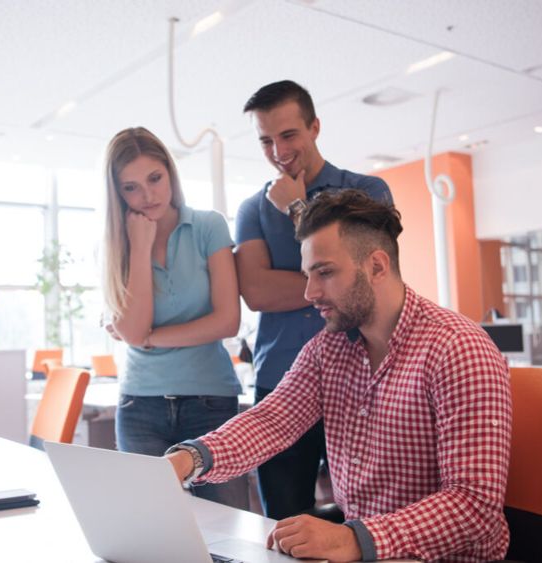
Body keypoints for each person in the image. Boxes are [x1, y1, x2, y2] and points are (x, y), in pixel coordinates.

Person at [167, 190, 513, 562]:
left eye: (325, 273)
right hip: (365, 551)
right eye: (307, 275)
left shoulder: (457, 348)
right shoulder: (328, 349)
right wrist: (189, 461)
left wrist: (353, 540)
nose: (309, 292)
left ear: (377, 267)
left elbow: (474, 506)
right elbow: (271, 420)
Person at [233, 79, 393, 520]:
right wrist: (333, 275)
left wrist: (297, 210)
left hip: (359, 378)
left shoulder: (367, 194)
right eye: (265, 140)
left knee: (367, 515)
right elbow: (257, 293)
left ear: (315, 127)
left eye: (288, 135)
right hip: (279, 379)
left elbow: (370, 281)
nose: (278, 151)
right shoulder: (250, 209)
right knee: (284, 522)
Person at [101, 126, 248, 509]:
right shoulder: (118, 243)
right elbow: (133, 330)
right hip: (140, 405)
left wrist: (151, 338)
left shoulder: (208, 226)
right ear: (117, 192)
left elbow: (227, 322)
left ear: (170, 172)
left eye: (155, 178)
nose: (147, 195)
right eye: (131, 187)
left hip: (210, 401)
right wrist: (140, 245)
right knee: (149, 528)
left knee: (227, 526)